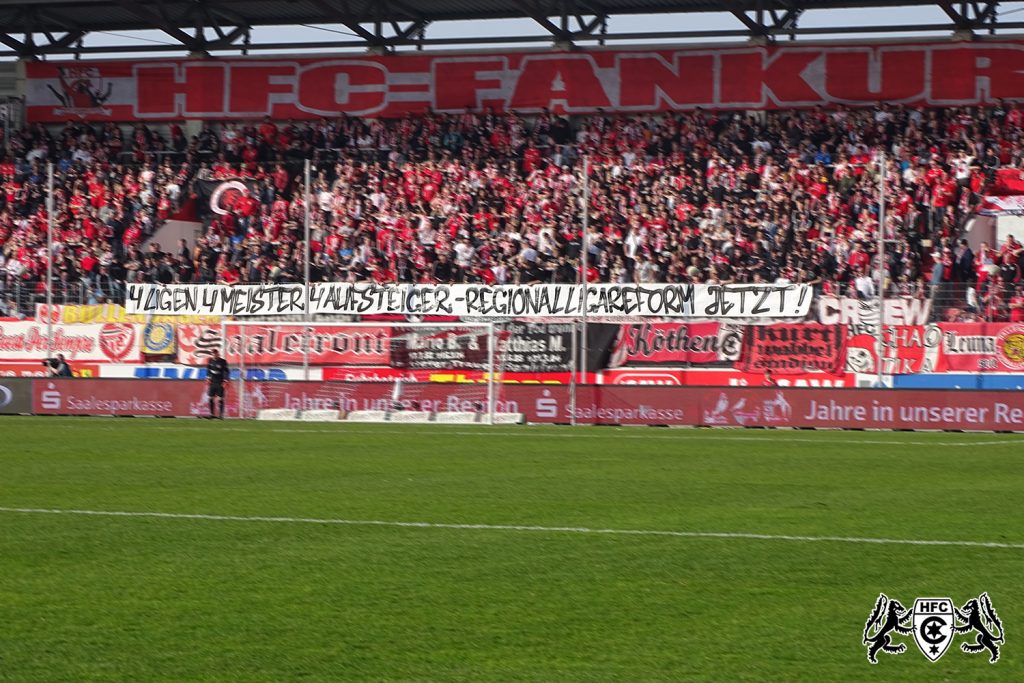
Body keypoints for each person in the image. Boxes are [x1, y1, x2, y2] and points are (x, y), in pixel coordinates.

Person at [205, 348, 229, 419]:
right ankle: (211, 414)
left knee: (220, 399)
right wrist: (208, 377)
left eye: (215, 353)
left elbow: (226, 371)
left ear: (218, 354)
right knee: (210, 398)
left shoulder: (223, 361)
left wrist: (225, 380)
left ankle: (221, 415)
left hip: (220, 382)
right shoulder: (210, 361)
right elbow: (208, 370)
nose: (214, 355)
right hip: (212, 382)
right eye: (212, 354)